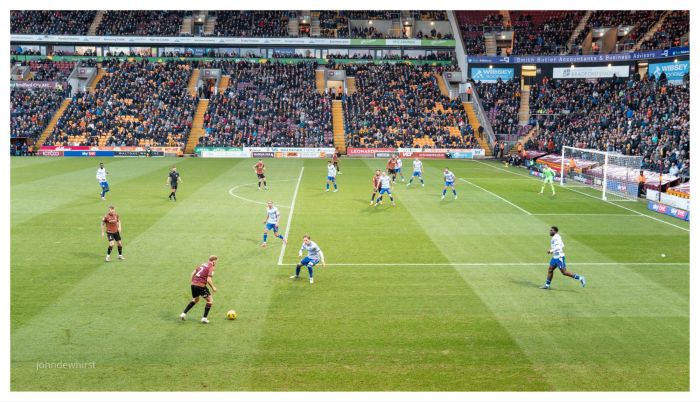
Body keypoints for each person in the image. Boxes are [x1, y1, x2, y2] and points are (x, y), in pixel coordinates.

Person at [180, 255, 219, 323]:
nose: (216, 263)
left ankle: (183, 314)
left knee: (196, 300)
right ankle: (204, 318)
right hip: (200, 286)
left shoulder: (203, 264)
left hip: (193, 285)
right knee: (210, 300)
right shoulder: (210, 267)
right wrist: (213, 287)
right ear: (213, 261)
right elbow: (208, 280)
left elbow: (192, 273)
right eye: (216, 261)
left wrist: (193, 282)